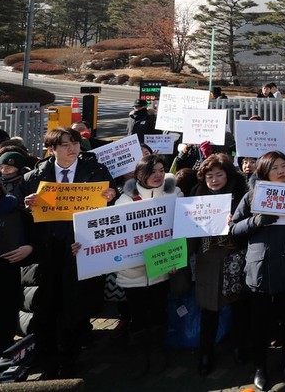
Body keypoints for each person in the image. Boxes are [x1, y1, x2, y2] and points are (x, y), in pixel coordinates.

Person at [21, 127, 114, 379]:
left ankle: (71, 357)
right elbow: (23, 215)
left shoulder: (95, 171)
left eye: (75, 143)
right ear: (52, 149)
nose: (72, 148)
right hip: (47, 252)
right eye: (65, 145)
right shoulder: (35, 176)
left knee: (75, 307)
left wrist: (110, 195)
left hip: (80, 249)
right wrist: (28, 205)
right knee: (46, 307)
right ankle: (47, 358)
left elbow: (108, 211)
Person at [231, 151, 285, 391]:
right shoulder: (252, 196)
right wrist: (256, 222)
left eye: (284, 166)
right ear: (264, 171)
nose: (281, 171)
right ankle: (261, 366)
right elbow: (233, 229)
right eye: (275, 167)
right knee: (259, 324)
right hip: (259, 271)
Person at [114, 154, 183, 377]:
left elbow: (180, 229)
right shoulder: (124, 200)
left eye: (162, 170)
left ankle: (157, 351)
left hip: (162, 267)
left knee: (158, 311)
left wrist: (173, 259)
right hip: (132, 271)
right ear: (140, 174)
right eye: (152, 171)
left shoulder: (174, 194)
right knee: (138, 314)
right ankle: (140, 354)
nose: (158, 175)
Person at [191, 153, 250, 376]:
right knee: (208, 310)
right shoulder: (196, 195)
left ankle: (239, 347)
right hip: (207, 260)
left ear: (228, 175)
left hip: (234, 259)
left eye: (219, 175)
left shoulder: (241, 196)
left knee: (238, 308)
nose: (214, 180)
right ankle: (205, 353)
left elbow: (250, 227)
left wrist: (235, 224)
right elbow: (188, 233)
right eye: (209, 176)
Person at [0, 151, 34, 351]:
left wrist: (29, 248)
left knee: (6, 312)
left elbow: (36, 238)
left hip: (9, 271)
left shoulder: (16, 210)